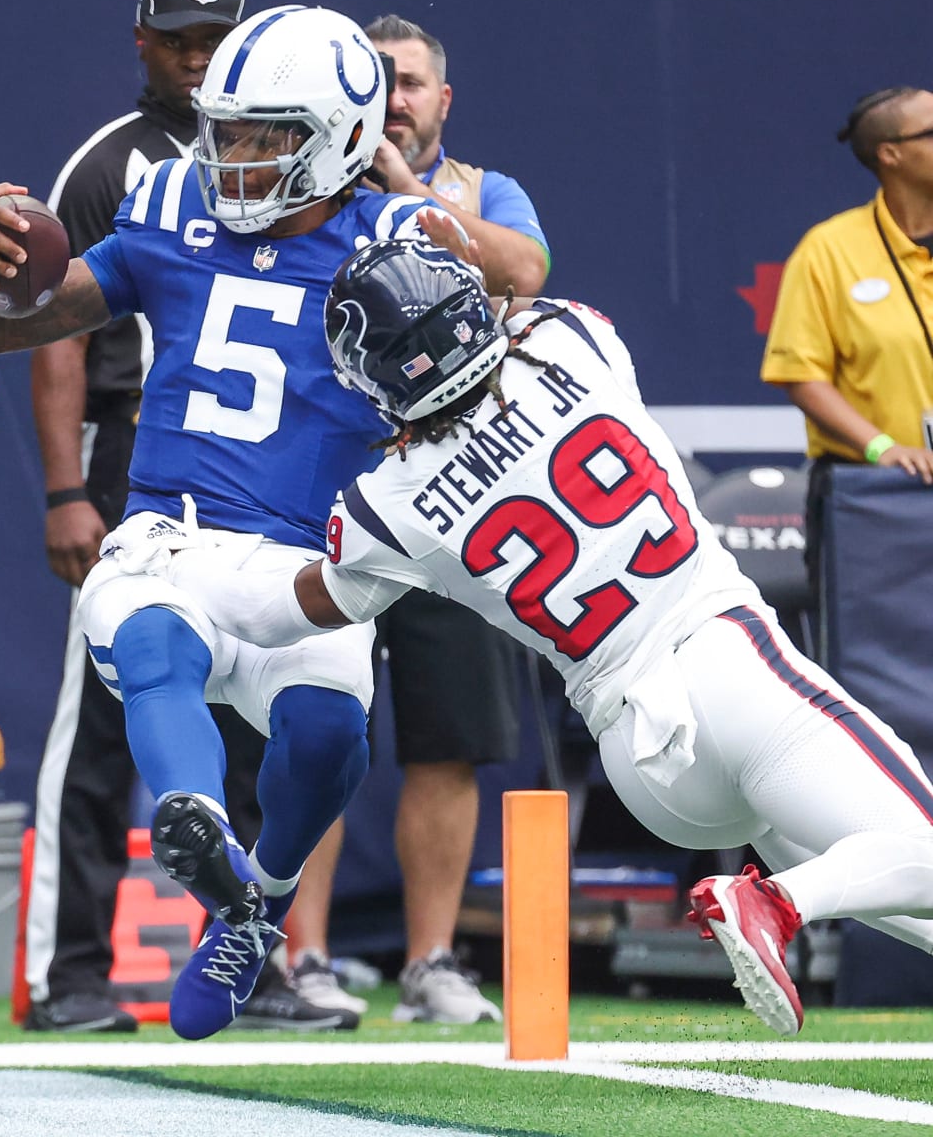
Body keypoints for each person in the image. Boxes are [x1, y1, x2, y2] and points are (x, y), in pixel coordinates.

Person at [155, 237, 933, 1038]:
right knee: (918, 844)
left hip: (641, 760)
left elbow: (282, 612)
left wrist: (175, 574)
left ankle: (783, 894)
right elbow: (522, 285)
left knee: (895, 874)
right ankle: (773, 901)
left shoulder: (386, 505)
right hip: (725, 661)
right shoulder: (572, 338)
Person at [0, 5, 462, 1041]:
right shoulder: (169, 202)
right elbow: (7, 321)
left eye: (268, 138)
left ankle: (258, 904)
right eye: (228, 132)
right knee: (149, 636)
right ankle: (192, 815)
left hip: (309, 559)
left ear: (343, 137)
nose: (237, 159)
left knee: (330, 731)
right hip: (173, 530)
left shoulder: (397, 238)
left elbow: (483, 346)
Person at [22, 0, 331, 1036]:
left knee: (268, 724)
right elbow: (59, 330)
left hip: (268, 472)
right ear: (142, 41)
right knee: (104, 723)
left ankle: (259, 958)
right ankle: (68, 974)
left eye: (218, 39)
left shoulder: (297, 139)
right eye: (181, 39)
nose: (200, 60)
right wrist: (67, 486)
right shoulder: (114, 162)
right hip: (142, 464)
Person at [282, 14, 551, 1024]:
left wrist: (406, 186)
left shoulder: (487, 192)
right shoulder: (307, 190)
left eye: (413, 83)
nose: (396, 98)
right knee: (310, 725)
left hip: (447, 501)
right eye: (379, 81)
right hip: (325, 497)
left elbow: (522, 274)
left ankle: (430, 963)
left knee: (446, 741)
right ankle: (301, 961)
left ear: (445, 100)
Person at [762, 85, 933, 597]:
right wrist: (882, 448)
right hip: (876, 498)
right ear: (891, 154)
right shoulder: (830, 250)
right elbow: (799, 373)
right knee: (879, 664)